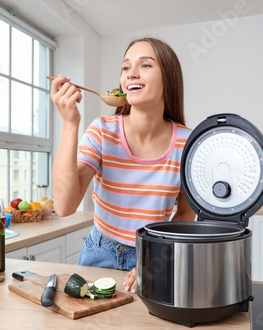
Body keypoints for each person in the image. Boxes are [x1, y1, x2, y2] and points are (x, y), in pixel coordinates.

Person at [50, 37, 196, 294]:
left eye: (146, 65)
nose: (131, 74)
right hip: (99, 253)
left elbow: (186, 214)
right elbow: (63, 206)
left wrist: (156, 255)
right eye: (125, 68)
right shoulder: (103, 131)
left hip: (156, 256)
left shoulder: (188, 142)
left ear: (169, 77)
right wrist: (70, 123)